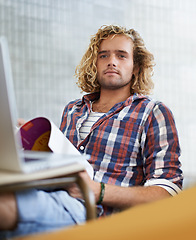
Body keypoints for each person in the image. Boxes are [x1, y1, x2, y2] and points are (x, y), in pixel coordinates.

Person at [0, 25, 183, 238]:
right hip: (53, 196)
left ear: (135, 67)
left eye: (121, 55)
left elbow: (168, 193)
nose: (111, 61)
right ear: (95, 64)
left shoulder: (153, 112)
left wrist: (99, 190)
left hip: (96, 215)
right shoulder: (72, 110)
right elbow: (62, 164)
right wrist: (28, 140)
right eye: (103, 55)